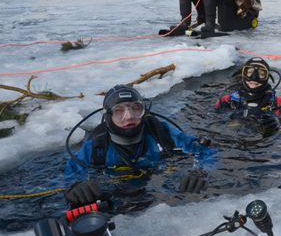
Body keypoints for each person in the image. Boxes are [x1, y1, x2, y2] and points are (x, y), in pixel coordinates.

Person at [64, 85, 213, 207]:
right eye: (119, 111)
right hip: (114, 198)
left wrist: (200, 171)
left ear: (144, 110)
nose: (129, 116)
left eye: (135, 108)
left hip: (159, 195)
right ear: (108, 116)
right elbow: (70, 175)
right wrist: (75, 187)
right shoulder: (96, 146)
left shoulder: (161, 133)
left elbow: (206, 151)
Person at [215, 57, 281, 134]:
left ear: (267, 77)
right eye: (249, 72)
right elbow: (215, 119)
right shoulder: (226, 100)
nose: (254, 78)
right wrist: (230, 117)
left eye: (261, 74)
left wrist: (278, 122)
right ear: (243, 74)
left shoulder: (279, 102)